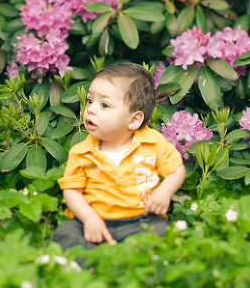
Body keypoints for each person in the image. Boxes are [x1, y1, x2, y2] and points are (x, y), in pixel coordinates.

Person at [54, 62, 186, 251]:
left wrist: (164, 192)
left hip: (140, 219)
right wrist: (89, 218)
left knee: (159, 231)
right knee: (67, 232)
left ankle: (136, 261)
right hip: (95, 219)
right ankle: (88, 265)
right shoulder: (81, 152)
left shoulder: (151, 142)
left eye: (104, 105)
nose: (91, 109)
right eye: (90, 101)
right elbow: (72, 191)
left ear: (134, 120)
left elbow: (176, 170)